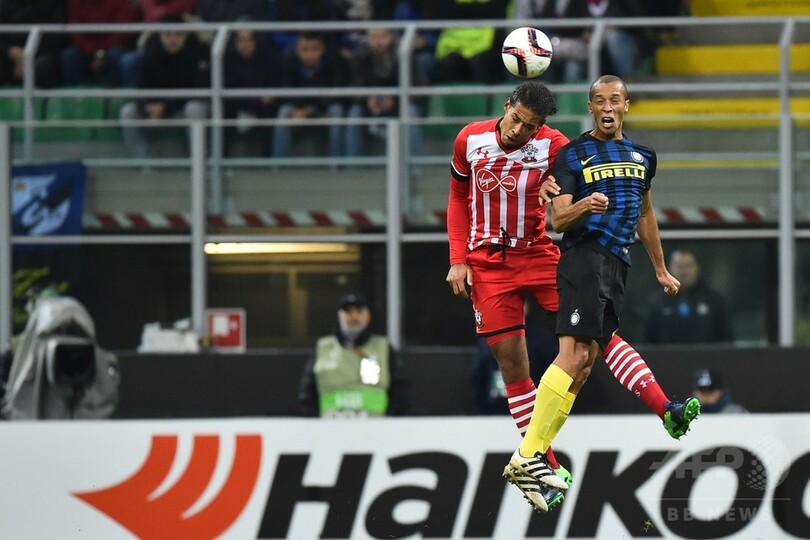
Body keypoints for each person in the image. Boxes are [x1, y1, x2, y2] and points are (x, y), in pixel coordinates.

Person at [446, 81, 684, 513]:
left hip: (538, 253)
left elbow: (571, 185)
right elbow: (458, 198)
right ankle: (545, 465)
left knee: (597, 336)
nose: (518, 130)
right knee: (513, 366)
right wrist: (457, 259)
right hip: (487, 263)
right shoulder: (469, 138)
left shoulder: (556, 146)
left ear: (540, 126)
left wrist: (555, 192)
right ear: (506, 106)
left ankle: (662, 405)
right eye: (516, 119)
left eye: (529, 126)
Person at [504, 75, 701, 513]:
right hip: (584, 259)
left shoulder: (644, 157)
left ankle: (534, 455)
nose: (607, 107)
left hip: (617, 265)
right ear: (591, 107)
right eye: (599, 100)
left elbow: (644, 213)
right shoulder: (573, 155)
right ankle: (528, 454)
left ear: (626, 105)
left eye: (615, 100)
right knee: (572, 356)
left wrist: (660, 268)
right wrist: (584, 205)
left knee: (584, 367)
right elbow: (558, 220)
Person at [298, 294, 410, 418]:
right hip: (330, 424)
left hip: (375, 425)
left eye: (359, 311)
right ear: (340, 316)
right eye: (348, 312)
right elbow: (308, 392)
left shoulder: (382, 347)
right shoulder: (324, 348)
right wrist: (313, 422)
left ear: (368, 316)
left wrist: (391, 420)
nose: (354, 316)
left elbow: (400, 389)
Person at [118, 14, 210, 158]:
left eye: (178, 34)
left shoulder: (198, 53)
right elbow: (140, 89)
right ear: (160, 35)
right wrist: (147, 107)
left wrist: (165, 107)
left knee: (195, 108)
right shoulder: (150, 53)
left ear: (186, 35)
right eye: (167, 34)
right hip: (157, 110)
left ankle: (199, 162)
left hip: (181, 108)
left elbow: (197, 91)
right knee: (127, 113)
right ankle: (144, 163)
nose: (172, 39)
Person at [271, 32, 349, 160]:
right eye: (305, 49)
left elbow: (336, 92)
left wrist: (312, 110)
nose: (310, 54)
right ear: (297, 50)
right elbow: (287, 91)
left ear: (322, 49)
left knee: (337, 111)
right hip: (299, 107)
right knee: (284, 111)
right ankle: (278, 166)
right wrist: (301, 110)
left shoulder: (333, 61)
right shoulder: (288, 61)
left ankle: (335, 165)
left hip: (324, 107)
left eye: (315, 49)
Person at [643, 249, 734, 344]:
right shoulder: (657, 302)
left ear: (697, 268)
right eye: (679, 266)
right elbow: (648, 340)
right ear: (669, 269)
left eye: (688, 266)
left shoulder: (714, 301)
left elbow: (726, 339)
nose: (684, 271)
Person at [59, 0, 138, 87]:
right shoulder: (75, 2)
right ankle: (73, 93)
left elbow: (121, 32)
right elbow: (75, 34)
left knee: (115, 55)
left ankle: (113, 92)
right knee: (69, 55)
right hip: (86, 50)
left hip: (111, 47)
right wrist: (94, 51)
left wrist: (102, 52)